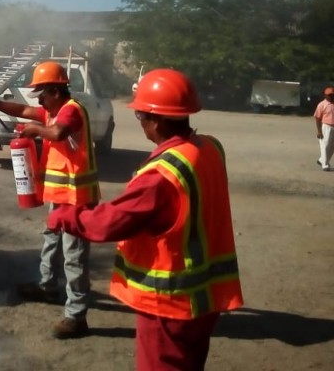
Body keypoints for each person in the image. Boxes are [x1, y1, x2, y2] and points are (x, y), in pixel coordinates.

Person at [46, 68, 243, 370]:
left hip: (169, 303)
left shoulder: (161, 175)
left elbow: (111, 222)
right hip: (205, 299)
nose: (141, 125)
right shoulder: (210, 148)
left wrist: (67, 216)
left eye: (141, 117)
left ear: (157, 118)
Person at [0, 60, 99, 339]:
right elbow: (23, 110)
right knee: (50, 237)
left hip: (77, 199)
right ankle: (47, 285)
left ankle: (76, 316)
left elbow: (58, 133)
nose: (38, 98)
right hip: (60, 196)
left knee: (74, 256)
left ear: (54, 90)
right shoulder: (53, 111)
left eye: (41, 92)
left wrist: (33, 131)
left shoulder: (71, 112)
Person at [314, 86, 334, 171]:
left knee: (331, 147)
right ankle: (325, 165)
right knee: (325, 146)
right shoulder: (322, 105)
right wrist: (319, 131)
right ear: (325, 95)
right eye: (329, 95)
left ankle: (322, 160)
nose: (331, 96)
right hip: (326, 127)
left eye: (332, 94)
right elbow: (317, 118)